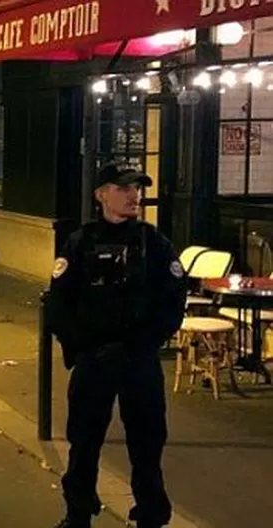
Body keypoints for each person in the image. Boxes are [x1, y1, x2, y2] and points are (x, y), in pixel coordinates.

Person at [46, 164, 186, 528]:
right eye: (123, 188)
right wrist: (83, 345)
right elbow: (59, 303)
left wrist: (136, 347)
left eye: (137, 188)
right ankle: (78, 513)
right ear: (101, 194)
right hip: (93, 360)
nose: (133, 195)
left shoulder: (154, 243)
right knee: (84, 443)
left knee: (147, 444)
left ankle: (151, 516)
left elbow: (172, 305)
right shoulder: (80, 242)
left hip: (138, 361)